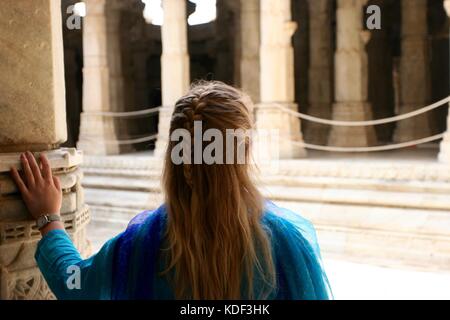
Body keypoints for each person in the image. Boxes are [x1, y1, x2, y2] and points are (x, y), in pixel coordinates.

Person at [10, 81, 332, 300]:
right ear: (245, 153)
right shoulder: (284, 246)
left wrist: (49, 219)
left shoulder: (143, 244)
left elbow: (75, 284)